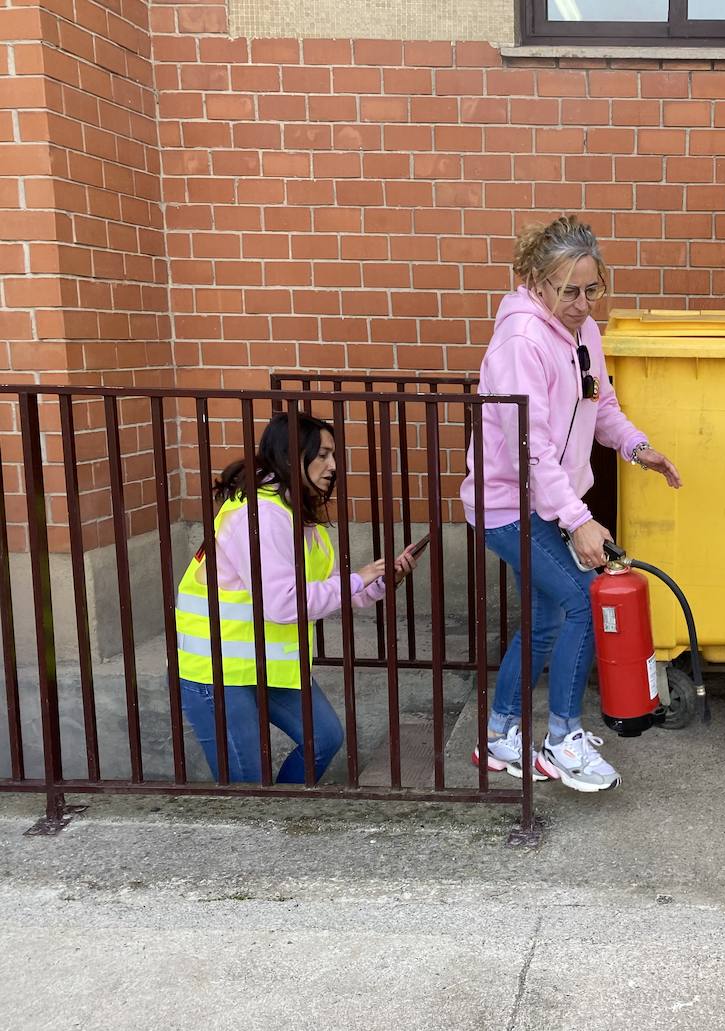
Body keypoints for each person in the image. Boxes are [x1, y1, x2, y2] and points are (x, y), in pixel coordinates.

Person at [460, 215, 682, 792]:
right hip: (509, 505)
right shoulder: (522, 342)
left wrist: (638, 447)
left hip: (548, 500)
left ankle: (499, 735)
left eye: (592, 289)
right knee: (583, 602)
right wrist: (579, 521)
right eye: (569, 291)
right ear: (535, 281)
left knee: (545, 619)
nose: (583, 303)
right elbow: (530, 451)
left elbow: (599, 402)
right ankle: (560, 741)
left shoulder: (581, 332)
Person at [175, 412, 416, 783]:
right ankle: (266, 824)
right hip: (218, 672)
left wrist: (379, 581)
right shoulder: (261, 514)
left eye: (333, 455)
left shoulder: (292, 509)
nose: (332, 466)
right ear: (291, 457)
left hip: (264, 663)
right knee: (249, 788)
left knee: (324, 738)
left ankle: (282, 809)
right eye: (321, 455)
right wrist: (357, 579)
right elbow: (284, 604)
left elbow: (322, 588)